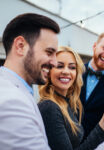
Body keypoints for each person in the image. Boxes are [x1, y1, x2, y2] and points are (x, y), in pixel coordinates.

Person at [39, 46, 104, 150]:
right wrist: (101, 129)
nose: (66, 71)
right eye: (59, 66)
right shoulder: (49, 107)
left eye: (72, 67)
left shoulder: (67, 103)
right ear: (49, 72)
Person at [0, 13, 60, 150]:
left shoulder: (16, 89)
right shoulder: (11, 101)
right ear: (20, 46)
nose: (55, 63)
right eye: (49, 52)